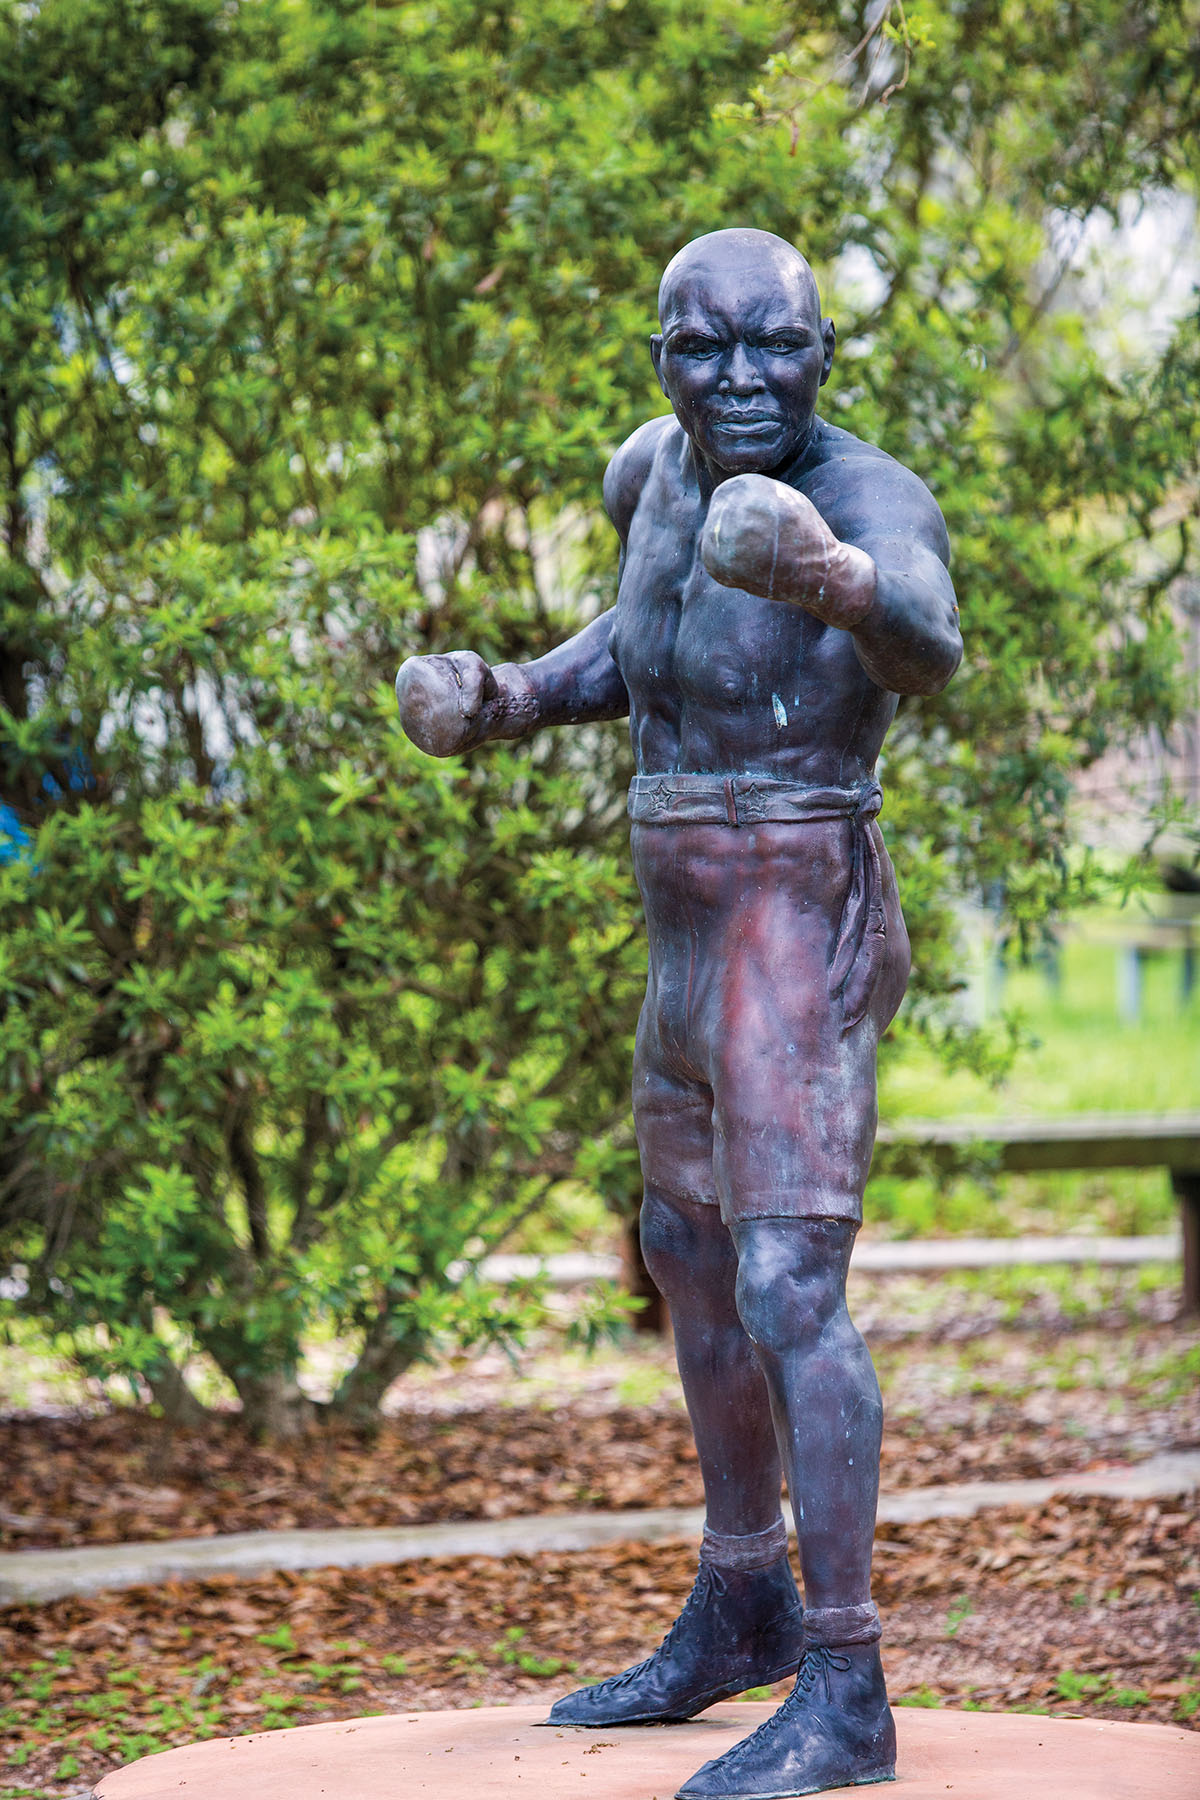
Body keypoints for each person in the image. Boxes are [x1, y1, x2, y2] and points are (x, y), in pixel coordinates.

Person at [396, 227, 961, 1800]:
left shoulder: (865, 493)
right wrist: (509, 693)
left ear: (823, 353)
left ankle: (847, 1684)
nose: (739, 379)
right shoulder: (653, 472)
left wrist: (834, 579)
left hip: (796, 903)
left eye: (770, 346)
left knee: (790, 1281)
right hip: (684, 923)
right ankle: (744, 1600)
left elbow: (932, 645)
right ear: (660, 362)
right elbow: (643, 656)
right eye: (702, 349)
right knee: (690, 1255)